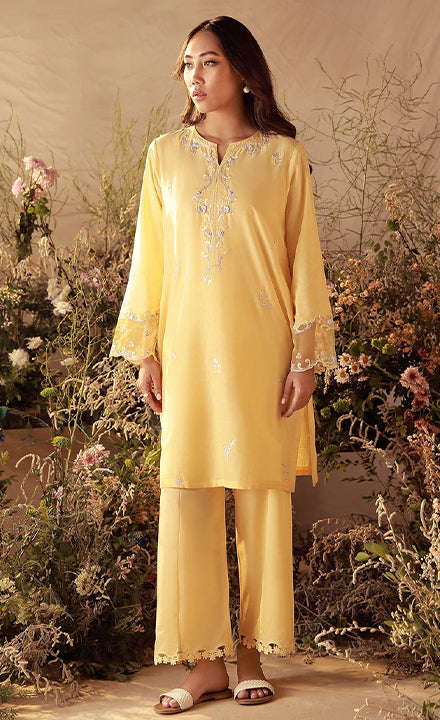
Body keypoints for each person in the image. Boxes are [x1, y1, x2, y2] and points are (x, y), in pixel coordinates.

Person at [110, 15, 336, 715]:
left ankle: (251, 656)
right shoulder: (164, 156)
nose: (194, 77)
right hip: (185, 352)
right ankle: (204, 664)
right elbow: (149, 258)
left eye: (207, 62)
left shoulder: (283, 157)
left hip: (263, 352)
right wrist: (146, 351)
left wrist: (305, 358)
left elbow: (303, 260)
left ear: (241, 69)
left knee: (260, 496)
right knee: (189, 496)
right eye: (186, 64)